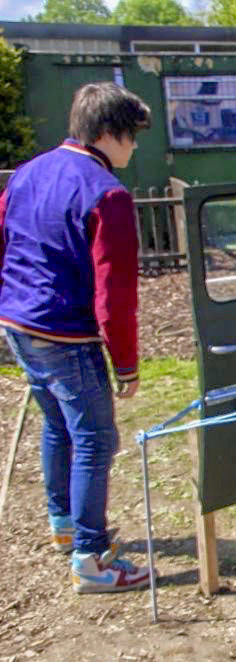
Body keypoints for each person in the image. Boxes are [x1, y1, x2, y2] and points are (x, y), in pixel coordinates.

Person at [0, 82, 153, 593]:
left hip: (18, 322)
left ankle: (64, 525)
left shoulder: (27, 173)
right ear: (109, 133)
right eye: (132, 136)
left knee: (59, 425)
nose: (135, 147)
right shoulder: (106, 193)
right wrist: (125, 364)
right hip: (64, 333)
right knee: (94, 438)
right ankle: (91, 557)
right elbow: (116, 292)